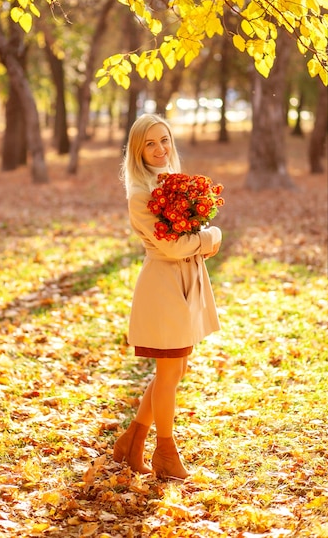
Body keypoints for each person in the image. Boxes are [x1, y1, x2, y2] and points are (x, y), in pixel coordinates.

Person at [113, 113, 222, 480]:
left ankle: (131, 442)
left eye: (165, 140)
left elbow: (184, 237)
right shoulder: (141, 195)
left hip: (185, 285)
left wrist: (203, 232)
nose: (160, 149)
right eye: (150, 143)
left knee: (173, 372)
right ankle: (165, 451)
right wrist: (211, 238)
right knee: (169, 371)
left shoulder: (174, 182)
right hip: (162, 288)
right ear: (137, 150)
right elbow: (172, 248)